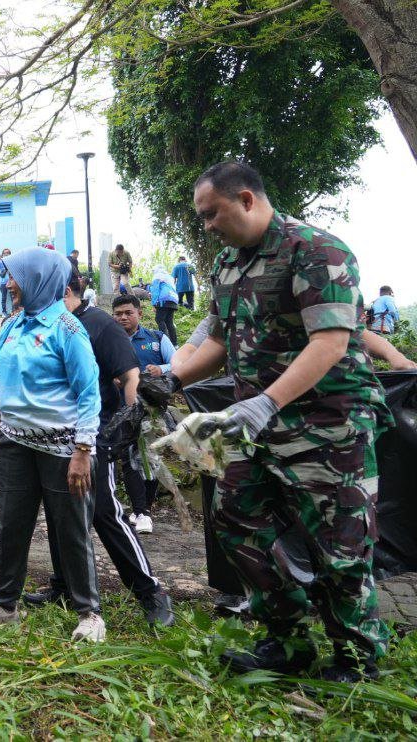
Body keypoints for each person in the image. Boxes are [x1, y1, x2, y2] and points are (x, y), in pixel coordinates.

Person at [143, 161, 391, 682]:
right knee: (237, 521)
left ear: (248, 199)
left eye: (213, 213)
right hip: (252, 429)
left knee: (341, 546)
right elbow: (216, 337)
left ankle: (356, 660)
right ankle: (286, 641)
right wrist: (176, 377)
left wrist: (266, 403)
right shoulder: (228, 263)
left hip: (329, 425)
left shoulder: (317, 250)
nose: (207, 225)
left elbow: (331, 341)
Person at [0, 248, 106, 642]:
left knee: (72, 528)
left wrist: (83, 451)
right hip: (14, 443)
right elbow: (2, 382)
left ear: (39, 278)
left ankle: (89, 613)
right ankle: (4, 606)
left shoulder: (68, 330)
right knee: (13, 525)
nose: (7, 284)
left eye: (14, 277)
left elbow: (89, 394)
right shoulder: (12, 325)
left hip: (62, 451)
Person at [25, 272, 174, 627]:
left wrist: (132, 424)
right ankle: (64, 584)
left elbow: (128, 376)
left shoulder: (99, 324)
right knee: (61, 512)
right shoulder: (45, 324)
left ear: (62, 290)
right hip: (52, 438)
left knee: (105, 512)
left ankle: (151, 592)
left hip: (94, 435)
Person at [111, 294, 173, 532]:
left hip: (152, 408)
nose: (123, 317)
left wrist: (161, 368)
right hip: (121, 410)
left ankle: (144, 508)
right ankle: (141, 511)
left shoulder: (157, 339)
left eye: (128, 313)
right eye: (118, 314)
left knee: (150, 457)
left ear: (139, 314)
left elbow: (176, 363)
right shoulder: (108, 341)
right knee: (129, 457)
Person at [175, 314, 417, 373]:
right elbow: (201, 345)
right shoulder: (228, 307)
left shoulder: (300, 295)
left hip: (319, 411)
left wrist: (396, 356)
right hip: (253, 411)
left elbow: (352, 331)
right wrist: (175, 373)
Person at [149, 265, 180, 345]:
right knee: (169, 322)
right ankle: (174, 344)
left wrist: (154, 304)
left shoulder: (157, 276)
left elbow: (155, 291)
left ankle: (165, 343)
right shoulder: (169, 277)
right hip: (173, 299)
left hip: (164, 299)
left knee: (159, 319)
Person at [0, 248, 12, 315]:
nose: (6, 254)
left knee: (12, 297)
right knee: (3, 298)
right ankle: (4, 312)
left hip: (11, 282)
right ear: (2, 254)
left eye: (7, 253)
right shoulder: (1, 262)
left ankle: (13, 311)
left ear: (10, 254)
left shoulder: (12, 261)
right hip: (3, 283)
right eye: (4, 253)